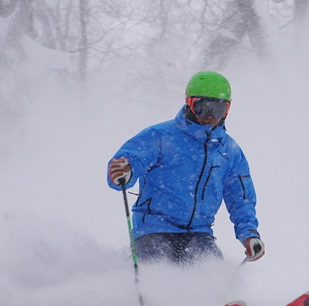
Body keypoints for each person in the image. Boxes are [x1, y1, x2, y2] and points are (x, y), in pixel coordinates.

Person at [106, 71, 264, 266]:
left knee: (212, 271)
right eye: (202, 107)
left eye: (218, 109)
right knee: (160, 269)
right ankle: (147, 294)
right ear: (189, 103)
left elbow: (241, 198)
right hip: (154, 229)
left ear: (227, 110)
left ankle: (219, 297)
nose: (210, 116)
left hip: (199, 233)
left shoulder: (229, 151)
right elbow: (130, 161)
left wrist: (248, 234)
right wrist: (124, 172)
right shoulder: (160, 136)